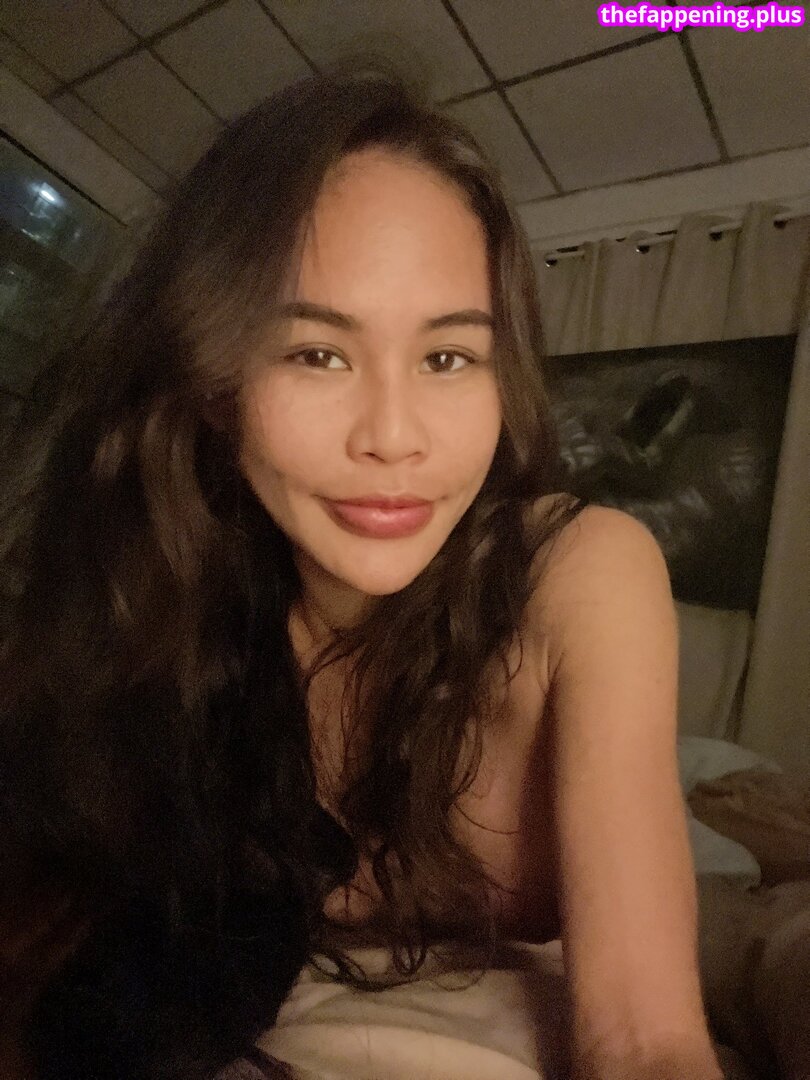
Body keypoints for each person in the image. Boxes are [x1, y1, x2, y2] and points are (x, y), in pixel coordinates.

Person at [0, 62, 725, 1079]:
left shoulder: (581, 573)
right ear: (215, 388)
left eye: (447, 358)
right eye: (317, 353)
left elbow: (646, 1040)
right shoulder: (172, 608)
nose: (393, 436)